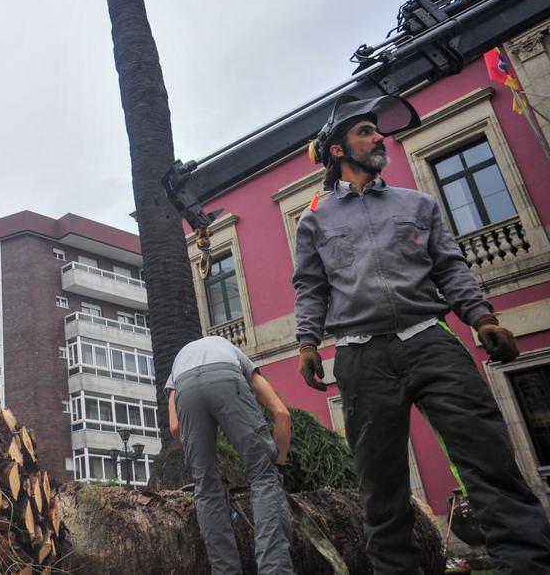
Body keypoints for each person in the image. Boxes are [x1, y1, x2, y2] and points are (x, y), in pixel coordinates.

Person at [293, 93, 550, 574]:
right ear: (337, 151)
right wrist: (307, 342)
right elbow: (311, 287)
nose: (378, 137)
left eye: (377, 129)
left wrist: (482, 318)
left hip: (430, 341)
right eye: (365, 132)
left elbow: (451, 268)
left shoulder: (419, 204)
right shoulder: (314, 220)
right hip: (360, 357)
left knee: (489, 460)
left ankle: (529, 565)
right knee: (382, 489)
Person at [167, 335, 293, 575]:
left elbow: (175, 428)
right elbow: (282, 413)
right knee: (264, 478)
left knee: (206, 490)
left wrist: (203, 464)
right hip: (226, 376)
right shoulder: (236, 355)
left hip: (184, 388)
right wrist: (279, 466)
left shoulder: (177, 366)